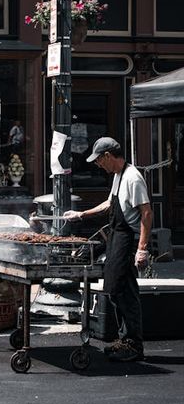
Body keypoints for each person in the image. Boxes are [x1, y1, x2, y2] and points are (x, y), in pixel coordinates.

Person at [63, 137, 153, 362]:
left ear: (108, 156)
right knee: (114, 288)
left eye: (99, 161)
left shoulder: (133, 178)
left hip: (128, 239)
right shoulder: (118, 176)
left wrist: (142, 249)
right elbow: (109, 204)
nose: (98, 165)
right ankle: (125, 340)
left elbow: (147, 213)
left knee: (126, 291)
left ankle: (134, 344)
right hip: (116, 237)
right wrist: (81, 214)